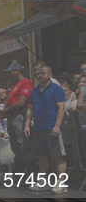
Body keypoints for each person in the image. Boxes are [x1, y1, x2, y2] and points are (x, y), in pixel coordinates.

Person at [24, 65, 67, 193]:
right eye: (37, 73)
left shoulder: (56, 89)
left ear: (50, 75)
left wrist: (57, 126)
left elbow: (61, 108)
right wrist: (27, 125)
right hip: (38, 128)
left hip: (52, 127)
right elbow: (30, 109)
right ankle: (42, 181)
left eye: (43, 73)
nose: (40, 75)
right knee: (41, 156)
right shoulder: (34, 91)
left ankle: (62, 183)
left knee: (58, 155)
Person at [0, 61, 34, 177]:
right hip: (12, 117)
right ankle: (20, 172)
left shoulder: (26, 83)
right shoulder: (14, 85)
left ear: (17, 72)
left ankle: (30, 173)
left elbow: (21, 102)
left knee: (23, 144)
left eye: (11, 72)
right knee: (15, 146)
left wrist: (5, 111)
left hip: (19, 116)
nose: (9, 74)